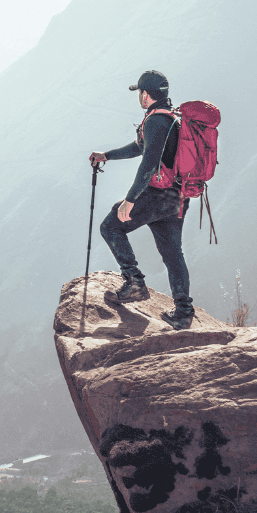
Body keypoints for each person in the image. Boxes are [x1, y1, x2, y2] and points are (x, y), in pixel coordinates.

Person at [88, 70, 194, 329]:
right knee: (172, 253)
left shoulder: (156, 122)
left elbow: (148, 164)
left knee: (111, 227)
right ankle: (183, 312)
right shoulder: (171, 118)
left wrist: (130, 199)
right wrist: (107, 155)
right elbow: (141, 148)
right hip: (177, 197)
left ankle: (134, 281)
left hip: (157, 196)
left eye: (139, 92)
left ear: (145, 95)